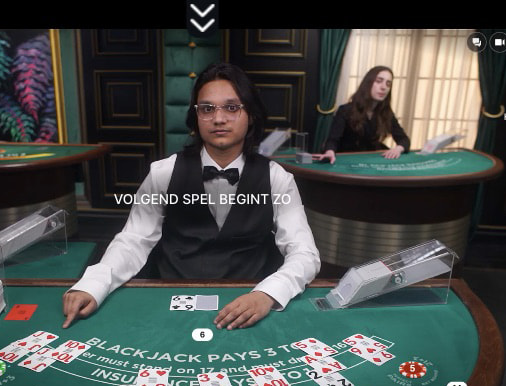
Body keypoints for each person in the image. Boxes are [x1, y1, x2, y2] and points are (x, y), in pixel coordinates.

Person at [62, 62, 320, 330]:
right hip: (171, 292)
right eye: (207, 109)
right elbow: (134, 239)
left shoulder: (278, 178)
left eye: (232, 108)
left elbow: (304, 253)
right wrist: (94, 284)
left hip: (249, 295)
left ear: (251, 115)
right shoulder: (163, 172)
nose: (218, 119)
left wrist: (268, 294)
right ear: (196, 116)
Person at [317, 66, 410, 163]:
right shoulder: (345, 110)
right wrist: (330, 151)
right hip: (346, 160)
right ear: (368, 84)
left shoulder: (386, 113)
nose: (384, 87)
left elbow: (404, 139)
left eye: (388, 84)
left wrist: (398, 149)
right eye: (379, 81)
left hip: (372, 159)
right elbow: (333, 139)